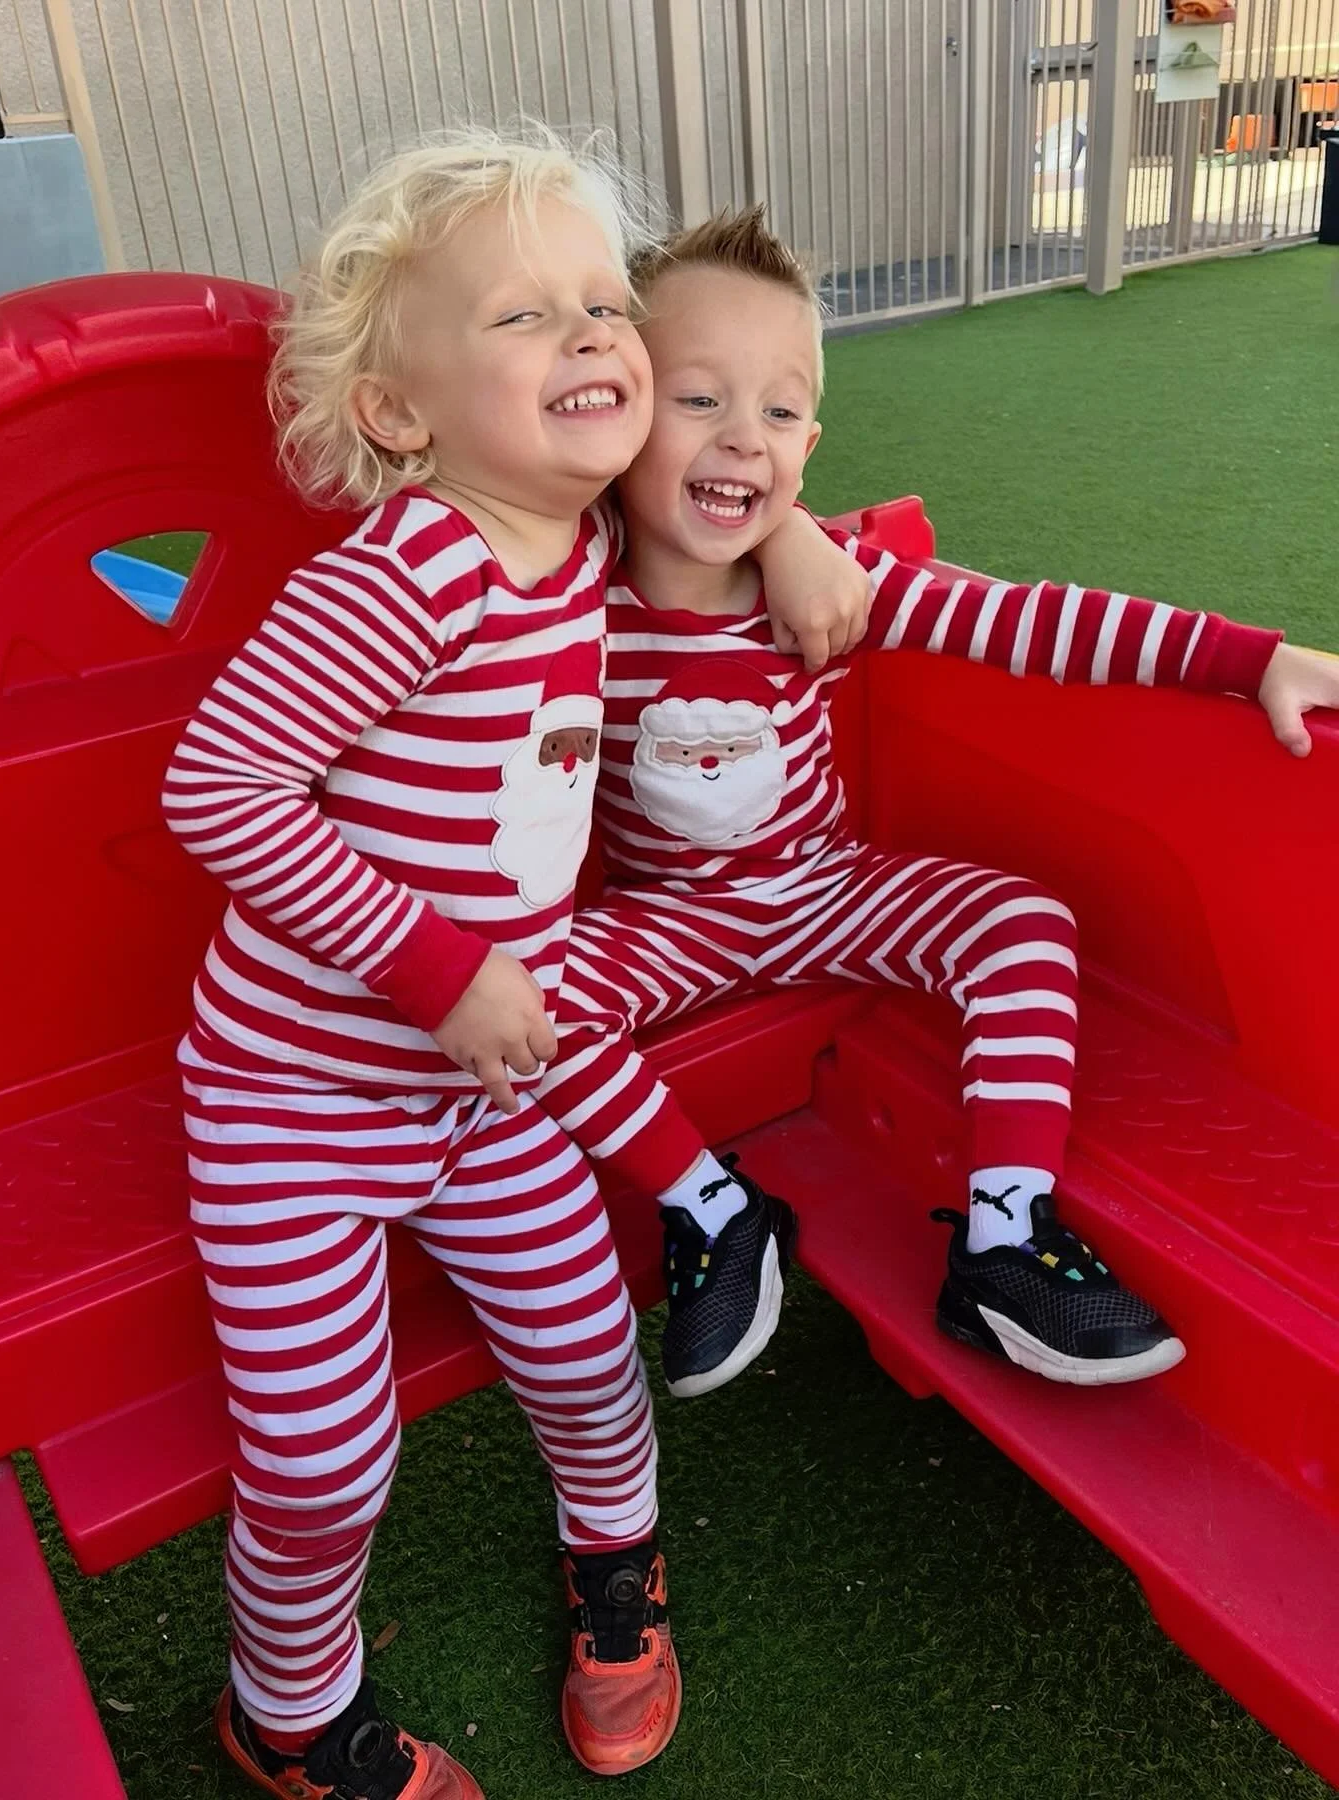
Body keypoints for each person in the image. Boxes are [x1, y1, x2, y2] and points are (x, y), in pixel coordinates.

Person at [162, 140, 870, 1797]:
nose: (598, 340)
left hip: (481, 1097)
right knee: (323, 1463)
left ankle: (617, 1574)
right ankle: (289, 1708)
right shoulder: (412, 572)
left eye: (607, 306)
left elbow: (720, 474)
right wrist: (436, 968)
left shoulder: (586, 548)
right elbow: (218, 786)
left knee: (586, 1350)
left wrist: (797, 540)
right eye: (525, 316)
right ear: (405, 414)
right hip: (295, 1111)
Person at [536, 205, 1339, 1401]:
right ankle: (716, 1208)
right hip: (671, 921)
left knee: (1023, 924)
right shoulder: (553, 599)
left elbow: (1036, 624)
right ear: (625, 411)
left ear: (813, 437)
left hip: (829, 887)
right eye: (699, 400)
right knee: (515, 1002)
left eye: (781, 410)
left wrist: (1247, 658)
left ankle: (1003, 1236)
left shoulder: (835, 592)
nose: (744, 442)